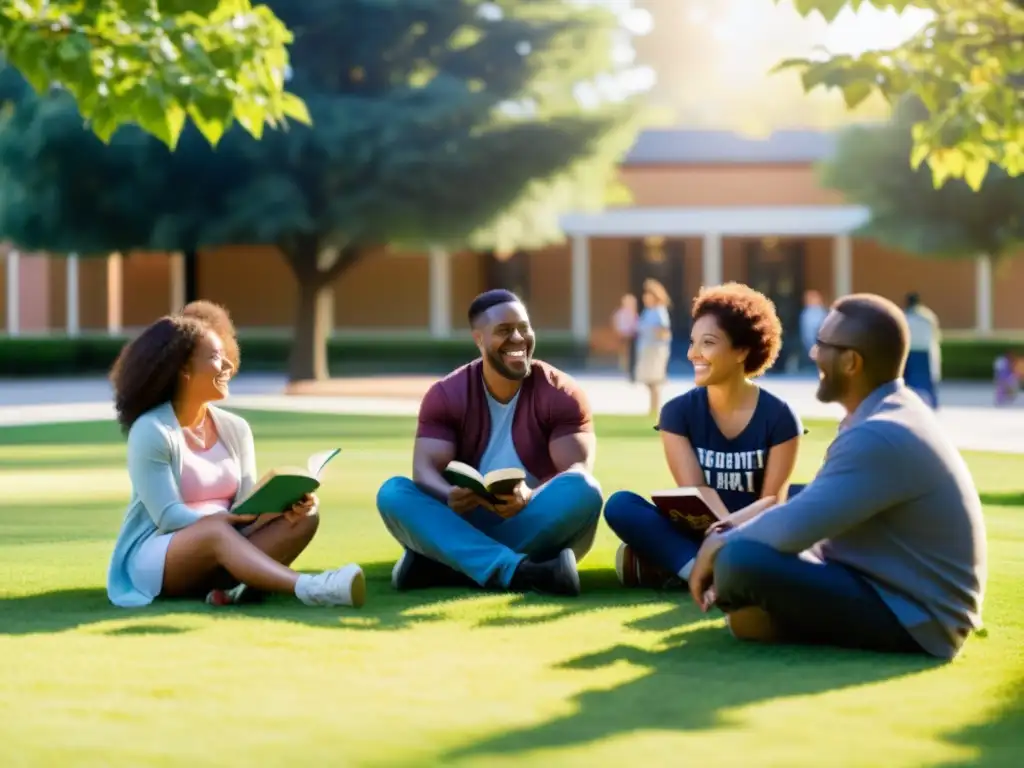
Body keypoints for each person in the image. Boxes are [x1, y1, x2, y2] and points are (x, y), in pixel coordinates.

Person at [687, 293, 987, 660]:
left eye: (821, 345)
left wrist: (718, 544)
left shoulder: (880, 432)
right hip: (889, 588)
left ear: (850, 362)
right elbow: (811, 508)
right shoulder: (886, 412)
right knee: (777, 513)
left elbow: (792, 530)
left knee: (740, 562)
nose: (814, 355)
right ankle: (768, 614)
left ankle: (774, 621)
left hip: (917, 619)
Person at [106, 313, 366, 609]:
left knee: (304, 518)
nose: (229, 365)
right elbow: (168, 517)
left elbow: (245, 504)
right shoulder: (151, 430)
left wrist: (279, 509)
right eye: (216, 357)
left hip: (224, 540)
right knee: (215, 532)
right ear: (184, 369)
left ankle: (239, 589)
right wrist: (225, 521)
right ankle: (313, 587)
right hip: (158, 555)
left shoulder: (236, 428)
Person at [375, 289, 604, 597]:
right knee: (393, 493)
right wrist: (449, 494)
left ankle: (444, 565)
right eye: (504, 330)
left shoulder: (561, 392)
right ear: (479, 340)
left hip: (535, 519)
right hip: (464, 519)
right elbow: (424, 470)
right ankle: (523, 571)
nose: (519, 338)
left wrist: (531, 495)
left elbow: (576, 469)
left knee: (584, 489)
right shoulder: (446, 395)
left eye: (524, 327)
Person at [604, 283, 802, 588]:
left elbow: (772, 502)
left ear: (742, 351)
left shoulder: (780, 416)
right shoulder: (676, 413)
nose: (693, 353)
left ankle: (678, 567)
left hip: (754, 531)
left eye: (708, 343)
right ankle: (710, 573)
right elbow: (694, 491)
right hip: (702, 529)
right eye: (693, 342)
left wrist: (732, 529)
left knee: (807, 498)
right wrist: (720, 535)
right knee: (620, 505)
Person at [634, 278, 673, 416]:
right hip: (646, 349)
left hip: (655, 351)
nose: (645, 297)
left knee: (655, 380)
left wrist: (655, 336)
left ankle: (654, 409)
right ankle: (652, 408)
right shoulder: (647, 311)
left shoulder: (659, 311)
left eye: (647, 294)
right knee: (648, 380)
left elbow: (664, 331)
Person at [903, 291, 942, 408]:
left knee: (907, 380)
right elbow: (936, 335)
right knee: (928, 380)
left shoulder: (904, 316)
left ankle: (906, 403)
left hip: (910, 351)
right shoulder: (927, 316)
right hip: (924, 350)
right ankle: (934, 403)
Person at [611, 293, 639, 382]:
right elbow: (615, 322)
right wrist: (618, 332)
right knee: (624, 352)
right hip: (623, 336)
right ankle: (624, 367)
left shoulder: (634, 313)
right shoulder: (620, 313)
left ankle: (631, 370)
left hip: (632, 336)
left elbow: (637, 325)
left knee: (632, 354)